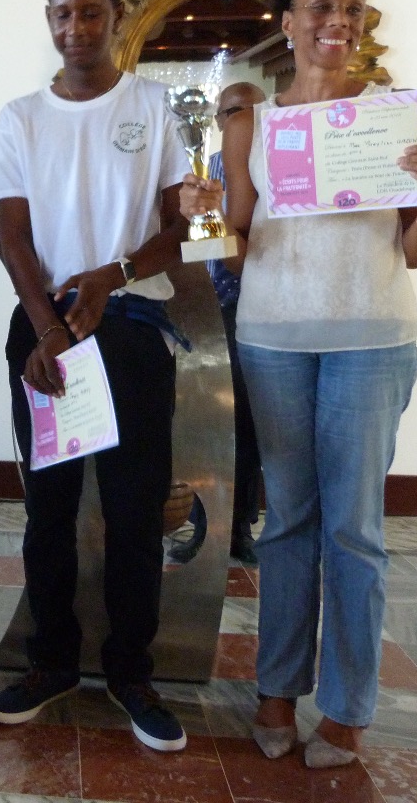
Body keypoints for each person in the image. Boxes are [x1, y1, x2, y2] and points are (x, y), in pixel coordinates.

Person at [180, 0, 417, 768]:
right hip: (273, 341)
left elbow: (416, 251)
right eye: (321, 7)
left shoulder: (399, 115)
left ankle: (345, 709)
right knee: (287, 523)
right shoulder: (253, 124)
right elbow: (233, 249)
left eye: (352, 9)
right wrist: (201, 212)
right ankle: (276, 691)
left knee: (355, 531)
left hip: (373, 341)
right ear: (288, 21)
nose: (339, 21)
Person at [0, 0, 190, 753]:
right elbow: (12, 235)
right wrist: (47, 330)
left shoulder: (154, 108)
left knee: (136, 513)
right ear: (49, 18)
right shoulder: (20, 118)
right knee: (50, 513)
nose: (77, 28)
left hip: (132, 329)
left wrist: (116, 273)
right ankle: (52, 663)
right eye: (64, 14)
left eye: (93, 13)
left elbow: (183, 227)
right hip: (45, 334)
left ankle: (132, 673)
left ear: (118, 15)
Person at [170, 81, 266, 567]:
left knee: (247, 428)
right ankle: (205, 528)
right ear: (218, 120)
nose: (241, 120)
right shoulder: (202, 171)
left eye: (251, 111)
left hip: (263, 308)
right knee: (207, 425)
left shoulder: (275, 167)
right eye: (232, 112)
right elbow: (196, 244)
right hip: (211, 310)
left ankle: (242, 529)